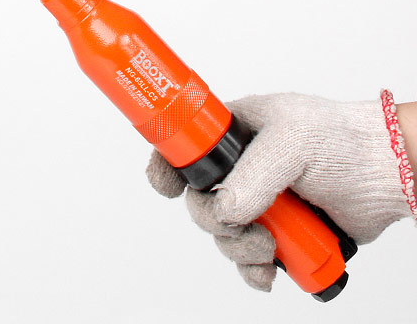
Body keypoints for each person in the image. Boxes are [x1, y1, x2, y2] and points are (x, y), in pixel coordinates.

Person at [146, 91, 417, 291]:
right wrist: (379, 148)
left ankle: (321, 265)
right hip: (319, 252)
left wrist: (371, 151)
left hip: (322, 255)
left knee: (233, 207)